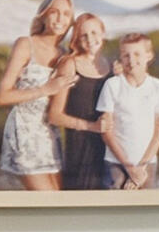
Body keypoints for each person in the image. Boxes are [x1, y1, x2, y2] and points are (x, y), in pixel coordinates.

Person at [0, 0, 74, 191]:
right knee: (47, 201)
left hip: (49, 135)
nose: (59, 18)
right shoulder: (25, 44)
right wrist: (45, 89)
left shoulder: (65, 54)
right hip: (24, 131)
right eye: (54, 12)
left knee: (59, 201)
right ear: (43, 16)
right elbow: (2, 96)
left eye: (65, 14)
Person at [48, 12, 115, 192]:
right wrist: (91, 126)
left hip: (109, 146)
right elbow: (54, 115)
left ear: (103, 34)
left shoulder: (111, 65)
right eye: (83, 35)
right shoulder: (70, 65)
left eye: (94, 33)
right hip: (80, 146)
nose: (90, 39)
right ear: (77, 39)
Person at [100, 33, 159, 189]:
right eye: (126, 55)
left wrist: (141, 168)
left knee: (146, 209)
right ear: (120, 57)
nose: (131, 60)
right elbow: (106, 132)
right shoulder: (112, 85)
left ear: (149, 55)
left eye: (137, 54)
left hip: (147, 163)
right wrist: (129, 168)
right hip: (116, 162)